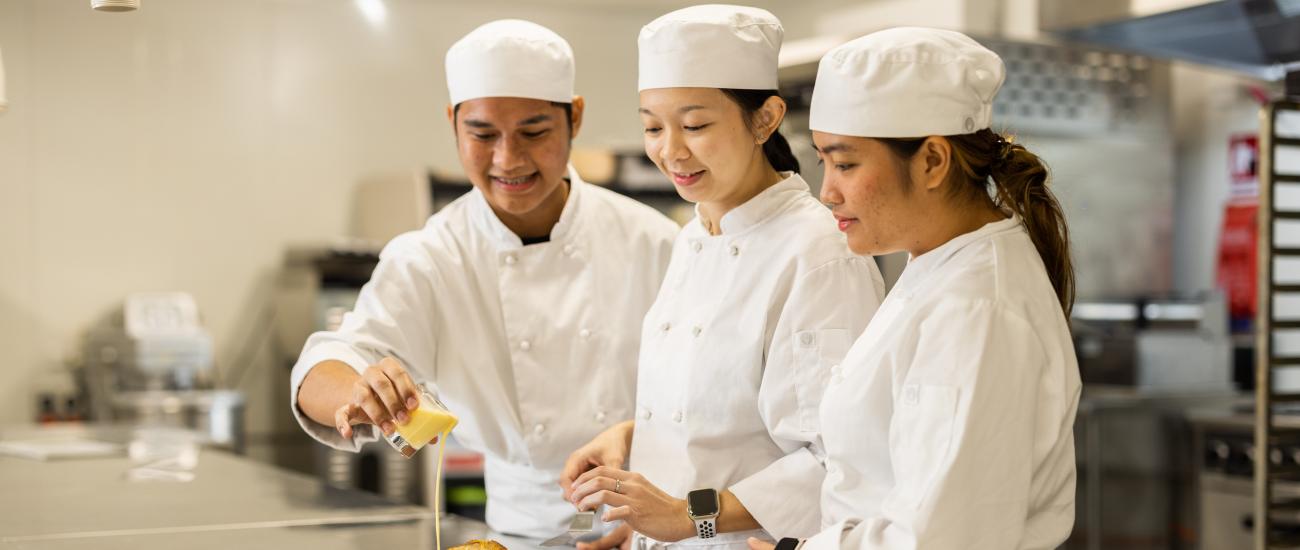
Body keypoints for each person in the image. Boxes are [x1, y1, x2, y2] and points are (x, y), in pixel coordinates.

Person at [288, 19, 680, 547]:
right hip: (516, 532)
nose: (508, 159)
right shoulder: (431, 256)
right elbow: (329, 360)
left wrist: (663, 518)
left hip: (658, 525)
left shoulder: (655, 242)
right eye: (482, 134)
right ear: (453, 123)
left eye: (534, 133)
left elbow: (708, 404)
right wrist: (362, 390)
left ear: (575, 118)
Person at [561, 6, 886, 550]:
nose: (671, 150)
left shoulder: (819, 253)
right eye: (652, 127)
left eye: (695, 125)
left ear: (765, 118)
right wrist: (634, 448)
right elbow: (719, 418)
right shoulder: (693, 237)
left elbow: (837, 461)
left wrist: (688, 517)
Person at [749, 27, 1081, 550]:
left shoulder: (976, 308)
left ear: (931, 160)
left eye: (847, 163)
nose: (828, 192)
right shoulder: (939, 268)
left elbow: (945, 535)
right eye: (824, 162)